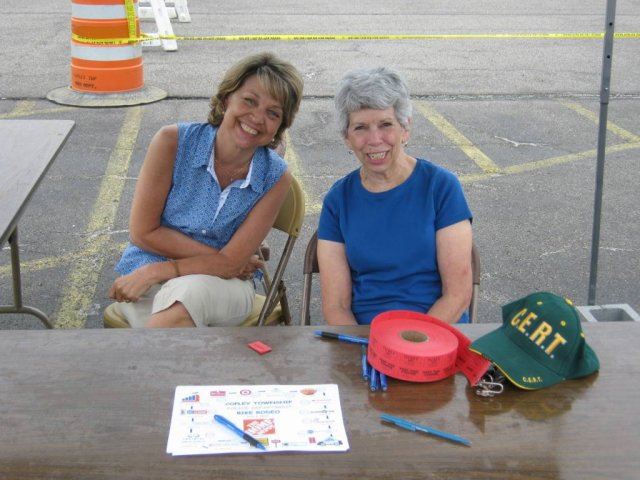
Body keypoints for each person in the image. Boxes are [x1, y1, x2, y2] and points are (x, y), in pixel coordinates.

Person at [106, 52, 303, 328]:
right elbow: (143, 232)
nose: (258, 118)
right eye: (249, 101)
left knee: (190, 295)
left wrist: (162, 270)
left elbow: (231, 265)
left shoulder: (275, 176)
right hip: (147, 275)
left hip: (224, 287)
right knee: (177, 327)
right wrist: (224, 260)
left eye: (273, 113)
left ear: (279, 127)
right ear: (226, 100)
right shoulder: (172, 143)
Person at [317, 67, 473, 325]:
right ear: (347, 138)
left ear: (405, 128)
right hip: (367, 340)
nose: (375, 139)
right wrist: (367, 352)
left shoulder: (441, 187)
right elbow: (337, 306)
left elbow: (456, 296)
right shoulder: (338, 201)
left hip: (436, 333)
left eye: (386, 124)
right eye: (360, 128)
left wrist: (408, 347)